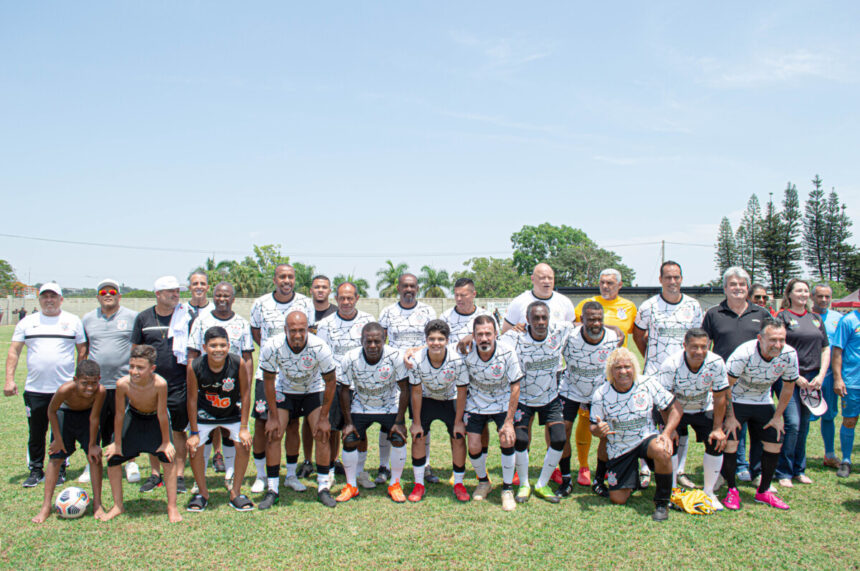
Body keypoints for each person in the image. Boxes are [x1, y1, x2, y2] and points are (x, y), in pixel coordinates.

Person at [5, 282, 87, 487]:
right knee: (36, 431)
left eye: (53, 296)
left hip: (64, 389)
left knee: (60, 431)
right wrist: (9, 379)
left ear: (61, 299)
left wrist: (78, 380)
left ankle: (59, 468)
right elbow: (14, 351)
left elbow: (82, 350)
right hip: (35, 389)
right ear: (39, 299)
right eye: (45, 296)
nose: (49, 300)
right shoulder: (27, 322)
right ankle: (35, 470)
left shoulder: (72, 321)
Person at [633, 261, 703, 489]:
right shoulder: (648, 306)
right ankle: (645, 468)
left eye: (677, 277)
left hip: (685, 376)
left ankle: (679, 469)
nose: (673, 282)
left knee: (678, 424)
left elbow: (698, 338)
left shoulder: (693, 306)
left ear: (681, 279)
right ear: (660, 279)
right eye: (668, 277)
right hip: (655, 375)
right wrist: (651, 359)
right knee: (649, 422)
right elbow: (638, 335)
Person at [590, 347, 682, 521]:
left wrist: (667, 432)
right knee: (618, 499)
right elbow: (593, 427)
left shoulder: (647, 383)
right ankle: (632, 478)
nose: (624, 371)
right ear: (611, 371)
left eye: (627, 366)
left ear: (634, 367)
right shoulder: (601, 394)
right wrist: (598, 431)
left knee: (662, 449)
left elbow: (675, 407)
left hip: (646, 438)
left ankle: (662, 502)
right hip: (620, 447)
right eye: (618, 368)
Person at [259, 312, 339, 508]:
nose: (297, 335)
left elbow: (330, 382)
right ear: (285, 329)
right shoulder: (272, 345)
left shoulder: (319, 346)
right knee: (274, 433)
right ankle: (273, 489)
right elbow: (268, 381)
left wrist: (324, 417)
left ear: (308, 330)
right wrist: (272, 416)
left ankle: (322, 487)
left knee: (321, 434)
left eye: (301, 330)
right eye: (293, 330)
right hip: (284, 389)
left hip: (313, 390)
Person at [702, 267, 771, 485]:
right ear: (725, 288)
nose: (737, 288)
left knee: (758, 429)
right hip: (725, 383)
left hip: (757, 383)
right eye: (733, 284)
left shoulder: (762, 314)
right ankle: (732, 469)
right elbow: (706, 347)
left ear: (748, 288)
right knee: (731, 427)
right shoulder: (714, 314)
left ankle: (756, 470)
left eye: (742, 284)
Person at [248, 264, 314, 493]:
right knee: (262, 423)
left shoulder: (306, 303)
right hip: (267, 373)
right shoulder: (260, 303)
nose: (286, 280)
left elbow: (310, 332)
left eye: (290, 277)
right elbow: (256, 333)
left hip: (295, 375)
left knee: (293, 424)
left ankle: (291, 475)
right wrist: (273, 353)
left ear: (295, 279)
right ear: (274, 279)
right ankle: (261, 475)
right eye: (282, 277)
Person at [720, 317, 799, 510]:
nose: (777, 344)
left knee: (774, 440)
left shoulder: (789, 354)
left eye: (781, 340)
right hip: (736, 399)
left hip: (763, 401)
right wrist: (729, 417)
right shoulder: (744, 353)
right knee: (730, 442)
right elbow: (725, 387)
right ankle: (732, 490)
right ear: (760, 338)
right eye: (772, 340)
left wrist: (778, 416)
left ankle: (763, 491)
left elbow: (788, 387)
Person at [497, 301, 571, 504]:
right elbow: (493, 343)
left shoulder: (560, 331)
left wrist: (614, 330)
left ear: (549, 319)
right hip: (523, 399)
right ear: (527, 320)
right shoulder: (514, 337)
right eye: (535, 318)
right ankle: (524, 484)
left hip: (550, 397)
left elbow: (582, 327)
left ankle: (542, 483)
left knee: (558, 439)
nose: (540, 322)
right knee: (520, 441)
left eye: (543, 317)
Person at [99, 345, 181, 523]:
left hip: (155, 420)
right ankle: (118, 505)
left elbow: (162, 414)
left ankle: (172, 506)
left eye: (140, 368)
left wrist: (166, 442)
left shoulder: (160, 384)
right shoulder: (123, 384)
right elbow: (120, 414)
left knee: (168, 459)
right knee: (113, 458)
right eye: (132, 366)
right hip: (133, 417)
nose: (134, 371)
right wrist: (117, 443)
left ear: (152, 369)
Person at [186, 282, 254, 486]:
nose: (222, 299)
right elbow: (193, 353)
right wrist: (193, 380)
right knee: (203, 430)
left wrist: (246, 384)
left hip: (233, 385)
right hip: (206, 386)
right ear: (213, 297)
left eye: (226, 296)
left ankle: (231, 473)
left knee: (230, 430)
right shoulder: (201, 321)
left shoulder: (242, 323)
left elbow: (247, 355)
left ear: (233, 299)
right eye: (218, 295)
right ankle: (201, 478)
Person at [335, 322, 410, 504]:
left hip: (388, 405)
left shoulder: (395, 356)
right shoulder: (350, 357)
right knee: (350, 438)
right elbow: (344, 389)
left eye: (377, 341)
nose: (373, 346)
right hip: (362, 405)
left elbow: (405, 388)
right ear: (361, 341)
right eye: (368, 342)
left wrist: (399, 421)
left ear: (384, 340)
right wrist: (348, 422)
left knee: (398, 438)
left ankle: (395, 484)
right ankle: (351, 485)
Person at [130, 275, 192, 494]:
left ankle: (179, 473)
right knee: (154, 427)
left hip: (179, 382)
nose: (175, 294)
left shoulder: (186, 316)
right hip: (152, 384)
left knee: (178, 430)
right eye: (170, 292)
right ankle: (155, 474)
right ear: (157, 294)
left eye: (177, 291)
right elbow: (136, 350)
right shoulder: (144, 318)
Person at [455, 315, 522, 511]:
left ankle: (507, 489)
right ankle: (483, 481)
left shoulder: (507, 351)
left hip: (502, 403)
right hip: (476, 404)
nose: (484, 338)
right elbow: (461, 388)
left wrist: (509, 421)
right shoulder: (465, 352)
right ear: (473, 336)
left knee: (507, 439)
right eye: (479, 334)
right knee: (474, 445)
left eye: (488, 334)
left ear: (495, 334)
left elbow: (515, 386)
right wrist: (459, 420)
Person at [658, 329, 729, 509]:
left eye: (703, 347)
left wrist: (717, 427)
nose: (699, 351)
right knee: (668, 443)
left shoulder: (716, 362)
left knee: (716, 442)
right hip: (676, 408)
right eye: (694, 347)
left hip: (703, 407)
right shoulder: (671, 364)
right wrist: (669, 429)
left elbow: (721, 396)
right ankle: (672, 491)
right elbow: (664, 399)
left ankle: (709, 492)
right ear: (684, 346)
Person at [185, 327, 254, 512]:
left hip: (231, 412)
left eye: (222, 345)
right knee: (194, 446)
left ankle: (236, 492)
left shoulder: (237, 362)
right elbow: (191, 399)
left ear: (229, 346)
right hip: (205, 413)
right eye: (213, 345)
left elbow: (246, 394)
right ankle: (202, 493)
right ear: (204, 347)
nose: (218, 349)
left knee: (244, 443)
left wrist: (244, 427)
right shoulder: (194, 366)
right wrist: (193, 432)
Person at [556, 301, 620, 497]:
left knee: (605, 433)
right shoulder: (569, 336)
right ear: (581, 320)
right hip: (570, 389)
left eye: (599, 319)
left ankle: (599, 480)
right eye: (591, 319)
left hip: (600, 392)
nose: (596, 323)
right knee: (562, 431)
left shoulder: (613, 338)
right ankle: (566, 479)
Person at [315, 282, 376, 488]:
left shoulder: (367, 321)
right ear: (336, 299)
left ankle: (360, 471)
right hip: (334, 384)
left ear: (357, 298)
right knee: (332, 429)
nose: (346, 302)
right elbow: (322, 356)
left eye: (350, 298)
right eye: (342, 298)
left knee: (360, 429)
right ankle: (331, 469)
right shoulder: (326, 324)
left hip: (360, 385)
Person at [80, 278, 141, 484]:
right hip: (96, 385)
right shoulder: (88, 319)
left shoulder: (132, 317)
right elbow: (84, 349)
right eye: (103, 292)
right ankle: (92, 463)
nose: (108, 295)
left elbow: (137, 347)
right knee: (95, 424)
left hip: (124, 383)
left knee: (125, 422)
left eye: (112, 292)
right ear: (97, 296)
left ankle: (130, 462)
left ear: (119, 296)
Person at [378, 273, 437, 484]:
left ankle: (425, 464)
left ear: (417, 288)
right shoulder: (387, 312)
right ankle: (383, 466)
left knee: (422, 422)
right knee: (389, 421)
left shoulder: (427, 311)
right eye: (405, 286)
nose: (409, 289)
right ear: (398, 288)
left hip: (421, 375)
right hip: (394, 377)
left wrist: (414, 350)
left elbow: (434, 340)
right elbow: (380, 341)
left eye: (412, 286)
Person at [31, 360, 106, 523]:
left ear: (99, 379)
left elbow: (94, 418)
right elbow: (51, 410)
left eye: (94, 383)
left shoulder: (100, 391)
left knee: (95, 458)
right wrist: (58, 439)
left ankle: (97, 503)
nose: (90, 388)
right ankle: (45, 506)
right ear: (75, 379)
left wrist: (93, 445)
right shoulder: (65, 389)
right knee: (56, 458)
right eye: (84, 383)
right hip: (65, 416)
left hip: (86, 418)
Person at [405, 320, 470, 502]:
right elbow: (416, 391)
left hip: (450, 399)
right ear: (426, 340)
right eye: (432, 339)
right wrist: (416, 422)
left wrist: (458, 421)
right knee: (418, 436)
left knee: (458, 437)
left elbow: (462, 390)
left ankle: (458, 483)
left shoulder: (457, 360)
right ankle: (419, 484)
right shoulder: (417, 360)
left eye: (440, 339)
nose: (436, 343)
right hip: (426, 399)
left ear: (447, 340)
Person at [774, 279, 830, 487]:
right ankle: (783, 472)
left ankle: (799, 469)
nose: (803, 294)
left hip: (813, 381)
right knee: (793, 424)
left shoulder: (815, 318)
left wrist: (821, 376)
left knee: (804, 426)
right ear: (789, 294)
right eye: (799, 290)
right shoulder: (783, 317)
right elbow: (777, 348)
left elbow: (825, 348)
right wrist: (795, 376)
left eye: (806, 291)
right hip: (789, 380)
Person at [295, 275, 338, 480]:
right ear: (310, 290)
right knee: (307, 419)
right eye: (316, 287)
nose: (320, 290)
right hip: (307, 372)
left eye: (324, 287)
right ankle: (307, 460)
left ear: (330, 290)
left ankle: (333, 459)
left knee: (332, 420)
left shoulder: (336, 313)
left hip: (329, 371)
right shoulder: (303, 312)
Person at [810, 284, 845, 468]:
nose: (823, 300)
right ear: (812, 296)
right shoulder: (806, 317)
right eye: (820, 296)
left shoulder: (838, 319)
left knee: (829, 415)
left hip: (830, 375)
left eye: (827, 296)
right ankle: (796, 456)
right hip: (810, 375)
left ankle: (829, 454)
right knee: (804, 417)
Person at [502, 263, 575, 333]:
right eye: (542, 278)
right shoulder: (518, 302)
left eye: (550, 278)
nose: (547, 281)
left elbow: (573, 330)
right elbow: (505, 334)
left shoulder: (565, 302)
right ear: (532, 279)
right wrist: (514, 331)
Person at [832, 302, 860, 478]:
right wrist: (838, 378)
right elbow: (837, 351)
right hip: (852, 382)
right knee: (850, 421)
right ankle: (846, 460)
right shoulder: (848, 321)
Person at [574, 268, 636, 347]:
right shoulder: (586, 304)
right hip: (590, 356)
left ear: (620, 285)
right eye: (602, 282)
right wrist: (609, 328)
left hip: (616, 357)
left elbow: (638, 334)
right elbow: (573, 326)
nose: (604, 286)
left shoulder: (629, 307)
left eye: (609, 283)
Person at [441, 277, 493, 344]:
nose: (459, 299)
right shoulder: (445, 317)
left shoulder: (487, 316)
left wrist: (474, 337)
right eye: (456, 295)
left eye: (463, 295)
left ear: (474, 294)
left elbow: (496, 341)